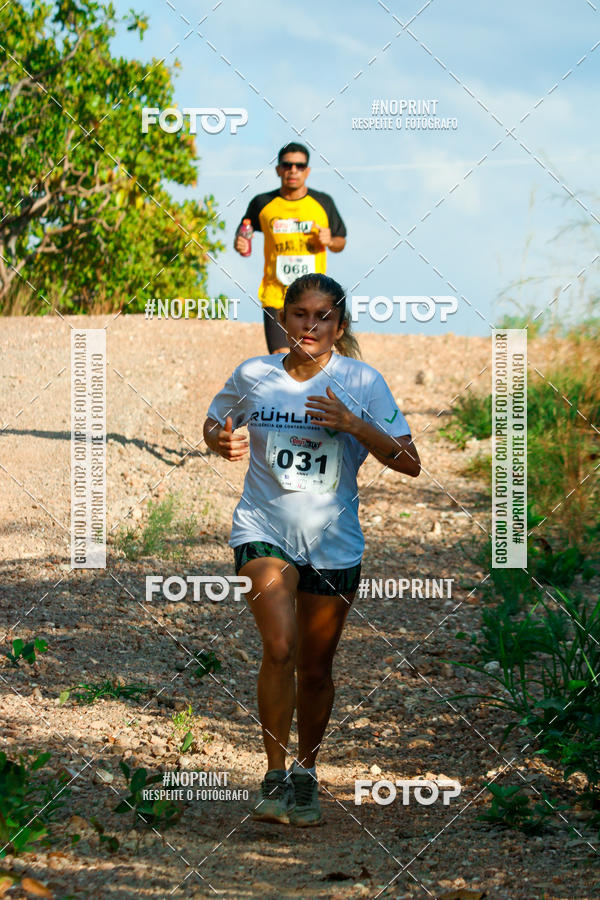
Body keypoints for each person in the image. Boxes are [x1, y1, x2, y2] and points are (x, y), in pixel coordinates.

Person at [203, 273, 420, 827]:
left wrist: (354, 424)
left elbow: (409, 461)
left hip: (334, 541)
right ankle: (274, 775)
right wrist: (218, 438)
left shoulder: (363, 382)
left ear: (339, 326)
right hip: (263, 528)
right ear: (284, 318)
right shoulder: (255, 374)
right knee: (279, 648)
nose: (311, 326)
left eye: (323, 317)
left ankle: (306, 773)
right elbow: (215, 420)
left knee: (316, 668)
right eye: (300, 314)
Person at [234, 143, 347, 355]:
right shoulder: (262, 203)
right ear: (278, 170)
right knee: (281, 357)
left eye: (299, 166)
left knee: (309, 358)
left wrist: (330, 240)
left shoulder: (323, 203)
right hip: (276, 296)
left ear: (308, 171)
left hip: (314, 298)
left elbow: (341, 241)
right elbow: (244, 232)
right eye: (287, 165)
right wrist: (240, 243)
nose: (293, 170)